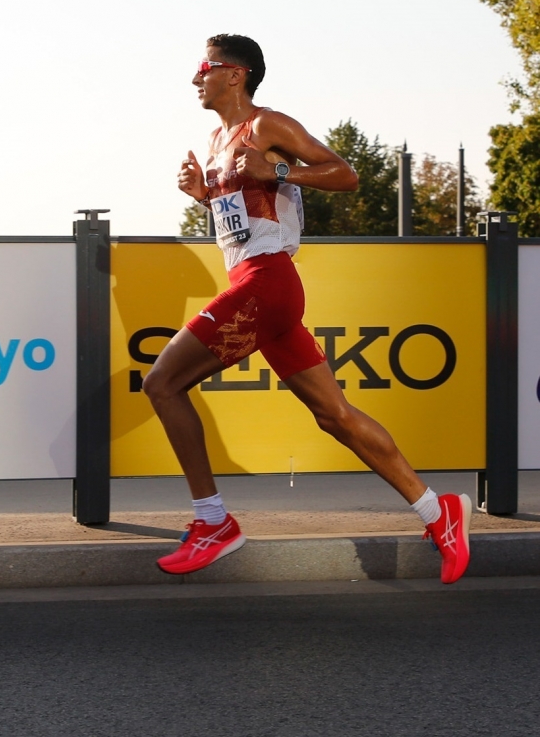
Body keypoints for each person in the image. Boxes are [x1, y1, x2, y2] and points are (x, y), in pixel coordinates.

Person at [147, 34, 470, 582]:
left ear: (236, 74)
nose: (194, 77)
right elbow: (246, 217)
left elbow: (346, 174)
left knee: (163, 383)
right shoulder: (216, 139)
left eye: (205, 66)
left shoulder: (269, 125)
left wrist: (277, 172)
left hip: (267, 283)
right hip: (257, 283)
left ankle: (214, 522)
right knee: (335, 416)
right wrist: (204, 195)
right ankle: (438, 512)